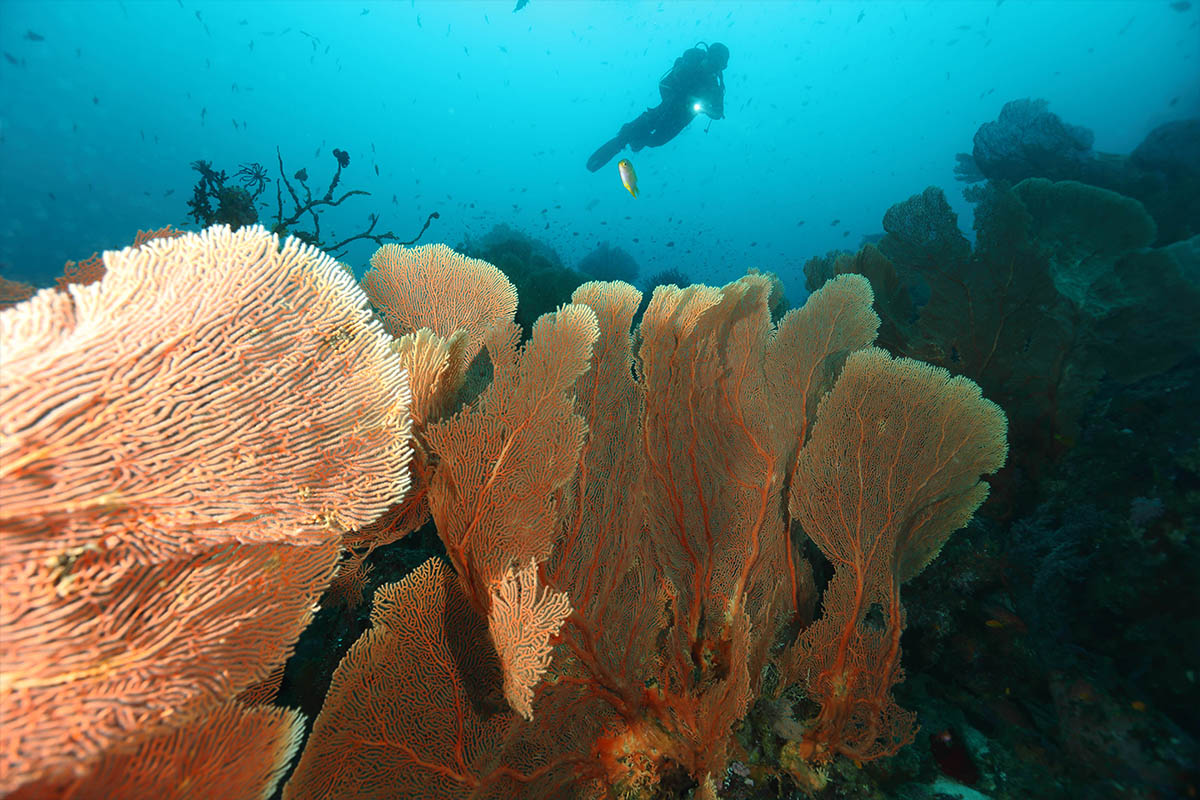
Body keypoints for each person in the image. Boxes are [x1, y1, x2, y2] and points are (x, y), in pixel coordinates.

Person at [586, 42, 729, 173]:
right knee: (647, 122)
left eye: (719, 65)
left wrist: (704, 108)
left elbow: (718, 113)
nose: (714, 67)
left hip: (684, 116)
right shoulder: (691, 64)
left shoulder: (714, 86)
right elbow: (674, 78)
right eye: (714, 61)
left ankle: (637, 140)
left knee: (656, 141)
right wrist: (688, 97)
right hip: (671, 102)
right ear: (708, 55)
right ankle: (622, 140)